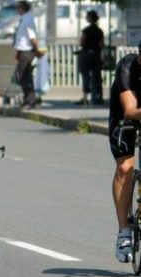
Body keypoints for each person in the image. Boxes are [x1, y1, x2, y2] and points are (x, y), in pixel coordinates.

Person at [108, 40, 141, 263]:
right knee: (125, 167)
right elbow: (130, 110)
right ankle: (124, 232)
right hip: (125, 116)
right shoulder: (127, 67)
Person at [13, 0, 43, 109]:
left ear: (22, 8)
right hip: (23, 51)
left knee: (21, 76)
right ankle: (30, 99)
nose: (17, 10)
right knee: (25, 76)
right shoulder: (24, 19)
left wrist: (37, 50)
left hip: (27, 52)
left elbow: (33, 38)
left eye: (18, 7)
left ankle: (30, 99)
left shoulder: (28, 20)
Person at [75, 10, 104, 106]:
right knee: (97, 76)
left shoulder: (86, 30)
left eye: (87, 16)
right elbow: (101, 44)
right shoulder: (100, 31)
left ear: (90, 18)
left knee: (85, 76)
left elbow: (82, 42)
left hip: (86, 55)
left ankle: (85, 97)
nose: (86, 18)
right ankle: (98, 96)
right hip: (96, 55)